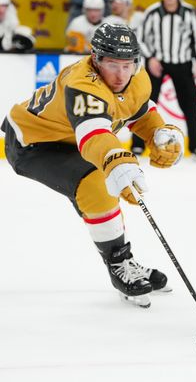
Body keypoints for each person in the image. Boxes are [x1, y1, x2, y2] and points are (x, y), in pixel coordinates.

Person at [2, 23, 184, 308]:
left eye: (127, 65)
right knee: (95, 184)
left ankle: (123, 260)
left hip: (68, 139)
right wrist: (115, 160)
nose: (121, 74)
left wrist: (158, 133)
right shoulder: (82, 82)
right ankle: (119, 265)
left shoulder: (137, 78)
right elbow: (93, 132)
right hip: (33, 142)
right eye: (112, 64)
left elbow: (136, 110)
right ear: (96, 58)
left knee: (98, 189)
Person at [134, 0, 196, 158]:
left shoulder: (189, 12)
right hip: (158, 61)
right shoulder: (153, 12)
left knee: (191, 105)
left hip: (182, 62)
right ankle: (138, 144)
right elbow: (140, 37)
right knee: (145, 103)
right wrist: (150, 58)